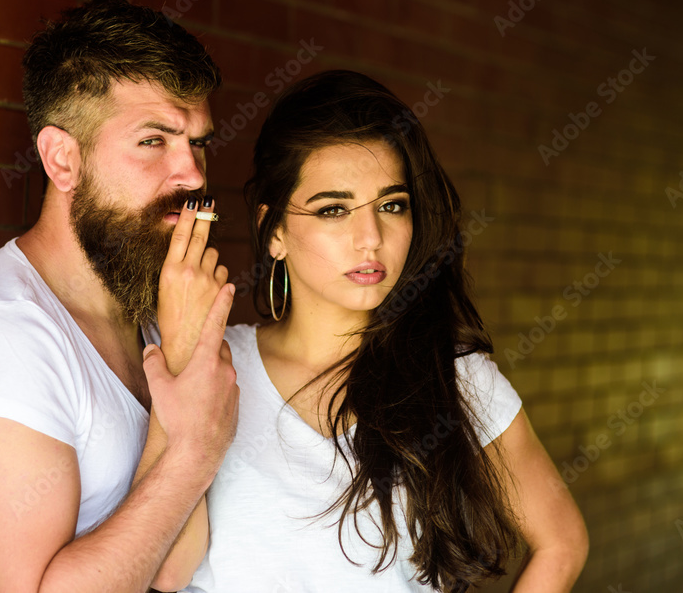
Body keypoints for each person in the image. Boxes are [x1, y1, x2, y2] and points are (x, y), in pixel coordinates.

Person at [0, 0, 236, 592]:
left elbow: (172, 567)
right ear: (62, 159)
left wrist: (179, 351)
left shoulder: (148, 315)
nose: (193, 174)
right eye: (155, 140)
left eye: (197, 142)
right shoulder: (0, 336)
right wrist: (195, 447)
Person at [183, 70, 589, 592]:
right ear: (274, 230)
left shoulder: (452, 374)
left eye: (391, 205)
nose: (369, 237)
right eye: (334, 209)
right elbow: (168, 565)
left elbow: (562, 541)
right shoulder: (213, 365)